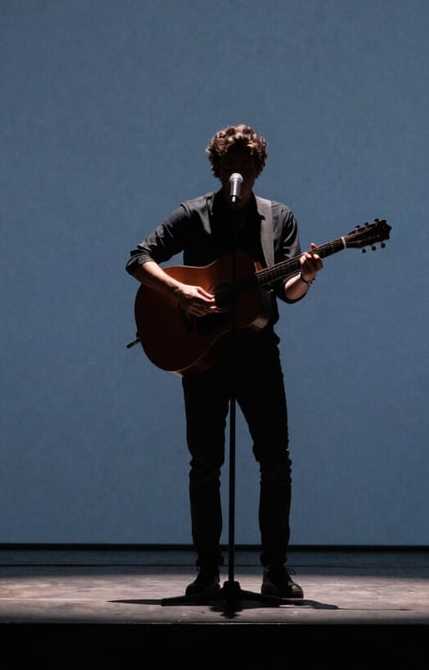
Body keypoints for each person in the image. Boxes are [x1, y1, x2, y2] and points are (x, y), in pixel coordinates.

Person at [126, 123, 323, 599]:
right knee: (205, 465)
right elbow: (139, 258)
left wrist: (308, 275)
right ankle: (207, 572)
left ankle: (275, 570)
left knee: (275, 463)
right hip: (204, 356)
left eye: (247, 165)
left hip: (259, 354)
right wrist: (180, 292)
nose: (240, 172)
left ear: (259, 168)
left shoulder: (279, 218)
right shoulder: (192, 214)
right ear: (217, 169)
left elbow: (288, 292)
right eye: (231, 165)